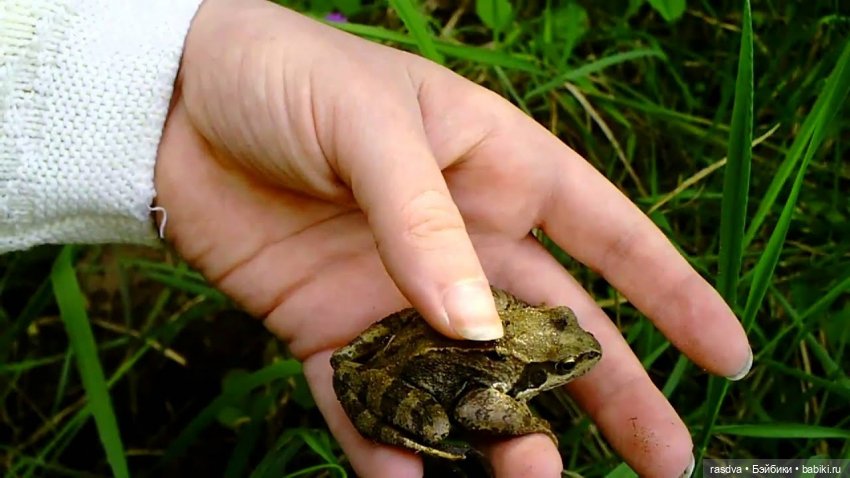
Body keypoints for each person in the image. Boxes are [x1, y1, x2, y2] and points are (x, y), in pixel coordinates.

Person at [0, 0, 752, 476]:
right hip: (410, 374)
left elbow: (488, 372)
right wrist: (526, 410)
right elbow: (480, 410)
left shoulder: (503, 321)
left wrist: (168, 80)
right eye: (556, 361)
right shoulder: (503, 379)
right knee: (437, 424)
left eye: (558, 348)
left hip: (390, 345)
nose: (571, 351)